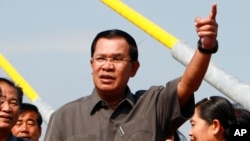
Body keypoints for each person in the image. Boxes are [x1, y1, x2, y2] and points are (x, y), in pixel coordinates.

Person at [45, 3, 218, 141]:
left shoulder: (153, 106)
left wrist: (205, 47)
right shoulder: (64, 118)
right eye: (101, 58)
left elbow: (189, 84)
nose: (107, 66)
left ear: (134, 68)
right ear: (91, 65)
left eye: (117, 59)